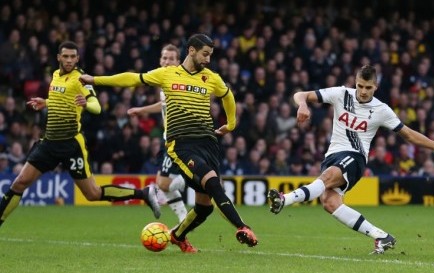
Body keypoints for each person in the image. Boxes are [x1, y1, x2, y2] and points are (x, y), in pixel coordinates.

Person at [79, 34, 258, 253]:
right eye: (205, 54)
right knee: (212, 183)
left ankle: (177, 236)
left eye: (210, 55)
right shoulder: (167, 74)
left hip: (208, 144)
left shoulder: (211, 77)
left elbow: (227, 96)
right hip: (181, 144)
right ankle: (243, 227)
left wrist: (231, 124)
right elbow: (132, 78)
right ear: (191, 50)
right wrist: (95, 80)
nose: (208, 59)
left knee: (204, 207)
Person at [268, 65, 434, 254]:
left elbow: (409, 135)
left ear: (375, 87)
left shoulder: (381, 110)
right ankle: (382, 236)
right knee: (330, 203)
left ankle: (284, 200)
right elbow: (300, 94)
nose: (363, 91)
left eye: (368, 87)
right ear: (355, 82)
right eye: (360, 86)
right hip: (332, 155)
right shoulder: (340, 94)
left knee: (326, 178)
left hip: (355, 157)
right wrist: (302, 104)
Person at [0, 41, 161, 228]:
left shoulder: (81, 78)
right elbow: (61, 99)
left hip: (71, 145)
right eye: (65, 56)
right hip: (49, 142)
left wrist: (86, 104)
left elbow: (97, 106)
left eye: (72, 57)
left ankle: (143, 194)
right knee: (20, 182)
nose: (69, 60)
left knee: (92, 194)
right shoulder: (55, 76)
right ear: (59, 57)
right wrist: (46, 102)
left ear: (77, 58)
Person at [127, 44, 188, 223]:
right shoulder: (165, 84)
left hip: (181, 139)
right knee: (162, 184)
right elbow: (163, 105)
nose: (166, 62)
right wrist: (142, 110)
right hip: (169, 138)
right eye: (164, 58)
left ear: (178, 63)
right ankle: (183, 219)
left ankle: (195, 180)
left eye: (171, 59)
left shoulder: (180, 82)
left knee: (162, 183)